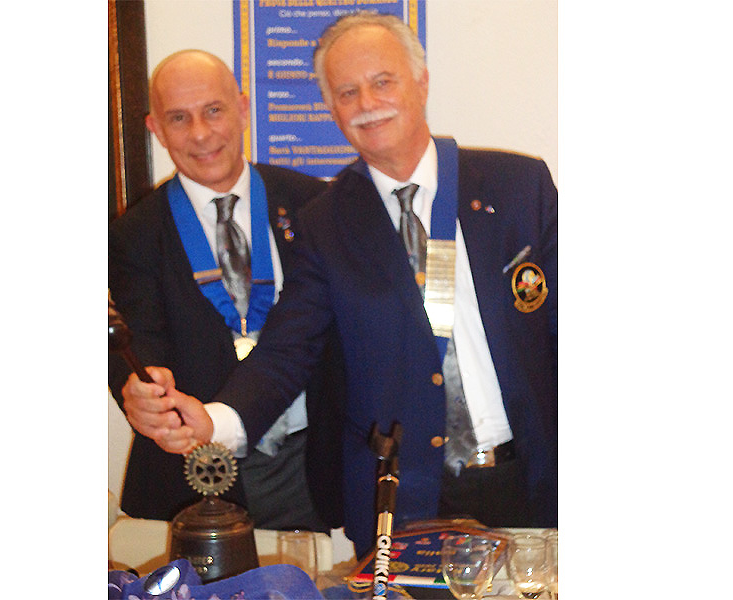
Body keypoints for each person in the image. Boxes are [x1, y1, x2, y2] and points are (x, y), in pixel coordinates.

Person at [150, 13, 558, 557]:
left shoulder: (518, 187)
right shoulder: (326, 222)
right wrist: (216, 421)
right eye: (347, 92)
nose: (367, 102)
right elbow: (287, 351)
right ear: (332, 107)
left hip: (534, 480)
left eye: (383, 81)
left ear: (422, 82)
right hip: (408, 499)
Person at [108, 49, 345, 532]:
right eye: (179, 118)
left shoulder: (315, 205)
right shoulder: (134, 234)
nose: (200, 133)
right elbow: (133, 344)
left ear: (242, 109)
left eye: (213, 110)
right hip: (193, 470)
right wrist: (136, 388)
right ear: (156, 129)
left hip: (309, 464)